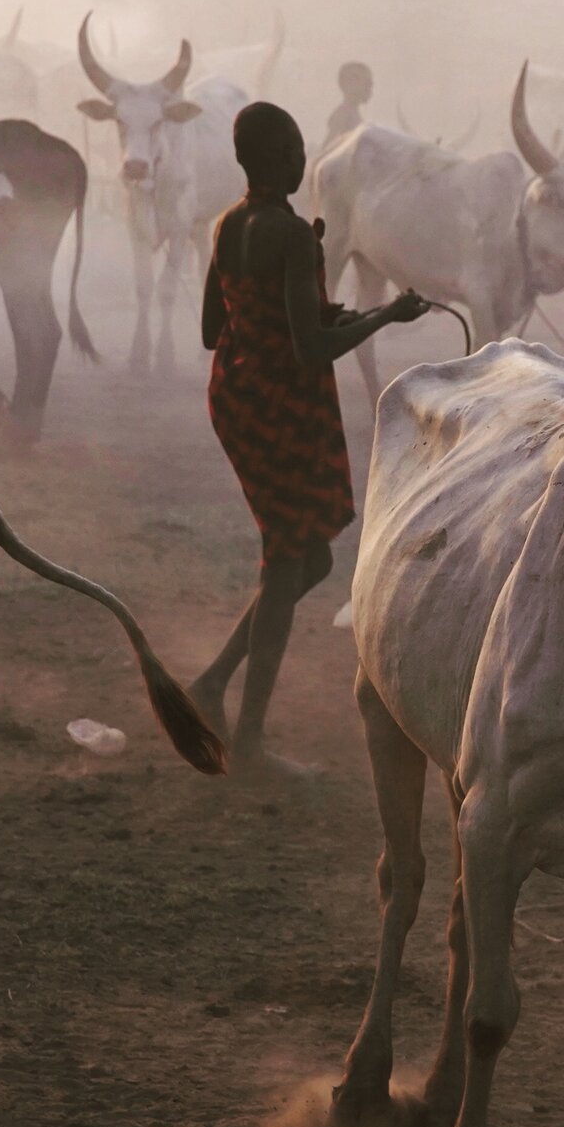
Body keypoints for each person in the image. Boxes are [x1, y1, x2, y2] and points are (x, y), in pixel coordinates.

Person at [191, 102, 427, 773]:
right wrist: (385, 315)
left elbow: (216, 329)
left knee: (309, 561)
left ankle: (212, 685)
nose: (302, 159)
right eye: (295, 149)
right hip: (281, 402)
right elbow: (310, 347)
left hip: (238, 394)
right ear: (276, 158)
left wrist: (312, 302)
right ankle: (252, 740)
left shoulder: (228, 225)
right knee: (288, 559)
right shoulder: (292, 235)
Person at [324, 61, 374, 143]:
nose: (369, 89)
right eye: (366, 84)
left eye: (370, 85)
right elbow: (329, 147)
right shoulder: (343, 114)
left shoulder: (352, 114)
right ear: (348, 84)